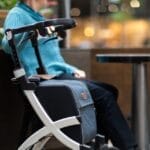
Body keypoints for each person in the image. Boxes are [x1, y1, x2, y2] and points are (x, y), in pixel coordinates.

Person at [2, 0, 137, 149]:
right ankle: (128, 147)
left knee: (110, 90)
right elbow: (7, 45)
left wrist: (71, 69)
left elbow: (52, 59)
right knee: (104, 96)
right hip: (41, 80)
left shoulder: (38, 17)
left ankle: (99, 143)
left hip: (56, 75)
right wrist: (29, 32)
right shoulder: (18, 14)